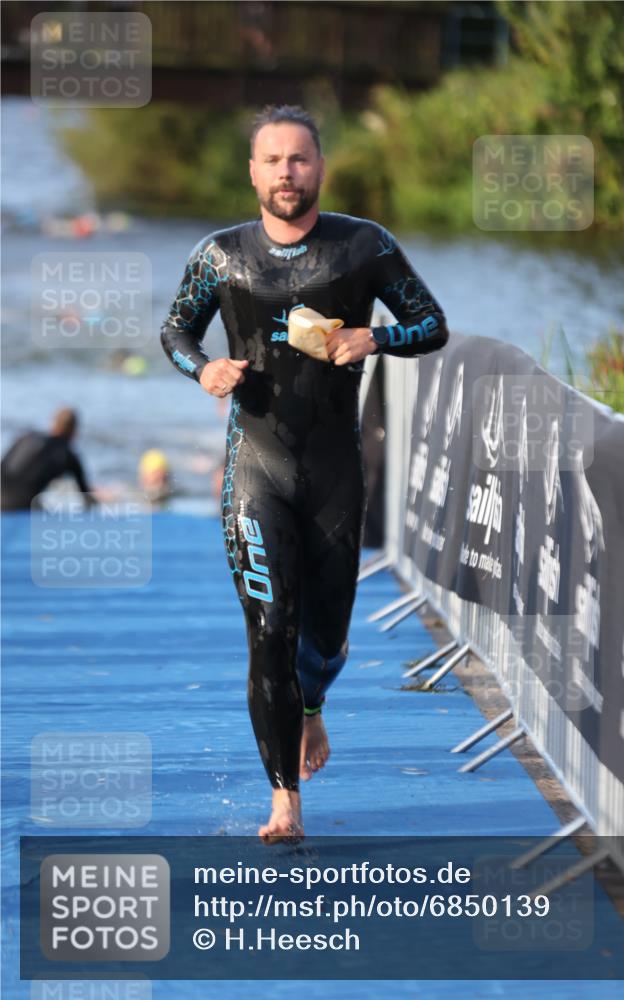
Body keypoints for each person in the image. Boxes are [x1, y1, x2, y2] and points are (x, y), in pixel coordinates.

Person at [160, 104, 448, 841]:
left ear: (319, 167)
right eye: (272, 160)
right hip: (254, 468)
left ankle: (311, 706)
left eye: (299, 160)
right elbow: (174, 330)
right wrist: (204, 368)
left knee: (325, 634)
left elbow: (431, 324)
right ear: (252, 171)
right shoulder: (220, 256)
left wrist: (372, 337)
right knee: (268, 630)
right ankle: (284, 798)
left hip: (333, 469)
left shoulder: (362, 247)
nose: (286, 173)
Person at [1, 407, 94, 511]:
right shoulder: (68, 455)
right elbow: (86, 497)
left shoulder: (26, 438)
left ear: (53, 424)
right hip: (20, 504)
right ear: (74, 431)